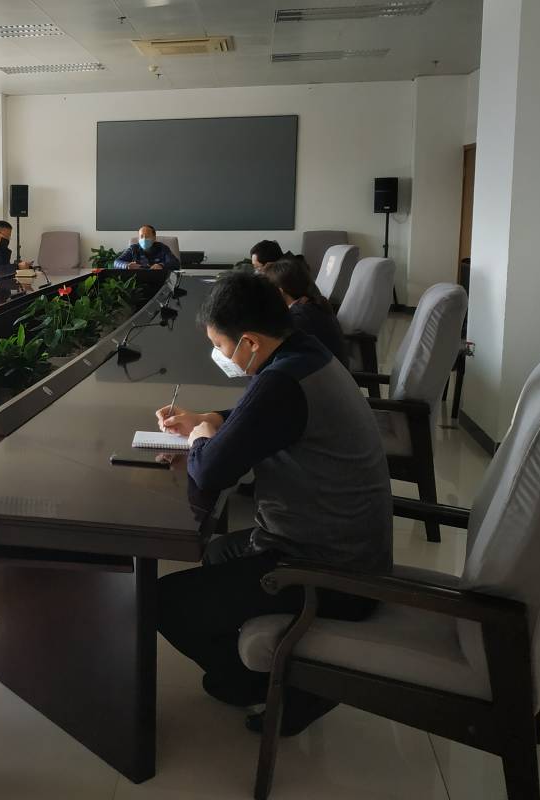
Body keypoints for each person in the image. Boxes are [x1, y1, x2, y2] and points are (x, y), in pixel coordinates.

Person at [153, 272, 391, 737]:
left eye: (220, 346)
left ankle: (286, 686)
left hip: (330, 570)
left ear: (249, 342)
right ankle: (258, 670)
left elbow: (210, 472)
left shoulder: (281, 382)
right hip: (347, 547)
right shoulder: (304, 354)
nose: (220, 356)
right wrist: (208, 418)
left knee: (164, 603)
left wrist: (200, 438)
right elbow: (261, 416)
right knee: (218, 554)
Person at [262, 258, 347, 361]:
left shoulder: (299, 318)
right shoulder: (313, 303)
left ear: (279, 292)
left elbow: (269, 355)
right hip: (331, 367)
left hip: (323, 370)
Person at [113, 224, 180, 270]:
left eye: (147, 236)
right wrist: (127, 265)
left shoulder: (162, 248)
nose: (144, 239)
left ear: (154, 238)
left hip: (158, 280)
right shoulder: (133, 249)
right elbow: (116, 262)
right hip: (138, 281)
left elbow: (175, 263)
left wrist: (161, 266)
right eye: (141, 236)